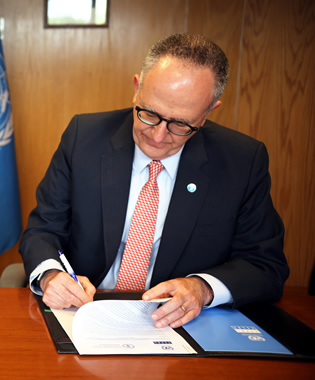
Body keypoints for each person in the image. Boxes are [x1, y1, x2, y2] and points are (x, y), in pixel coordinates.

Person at [19, 33, 289, 328]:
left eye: (181, 124)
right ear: (137, 89)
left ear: (209, 112)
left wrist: (202, 288)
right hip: (83, 312)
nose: (159, 136)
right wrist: (50, 275)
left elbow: (265, 266)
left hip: (179, 323)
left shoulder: (242, 161)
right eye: (149, 114)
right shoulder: (84, 137)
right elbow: (43, 230)